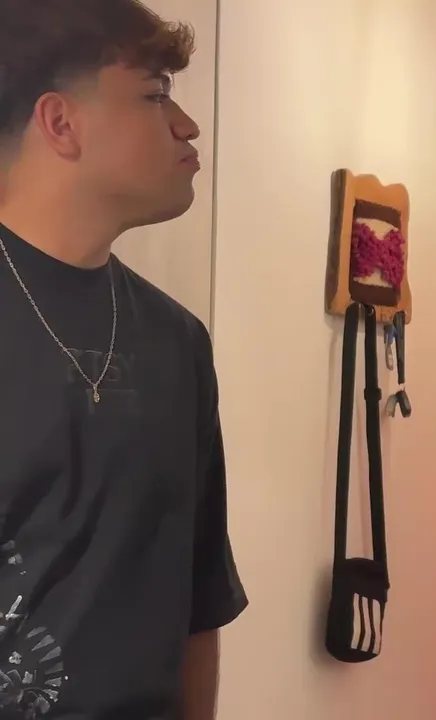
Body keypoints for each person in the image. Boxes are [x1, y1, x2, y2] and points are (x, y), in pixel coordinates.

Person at [0, 1, 247, 717]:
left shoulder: (178, 341)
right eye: (155, 94)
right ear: (61, 123)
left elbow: (199, 597)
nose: (187, 125)